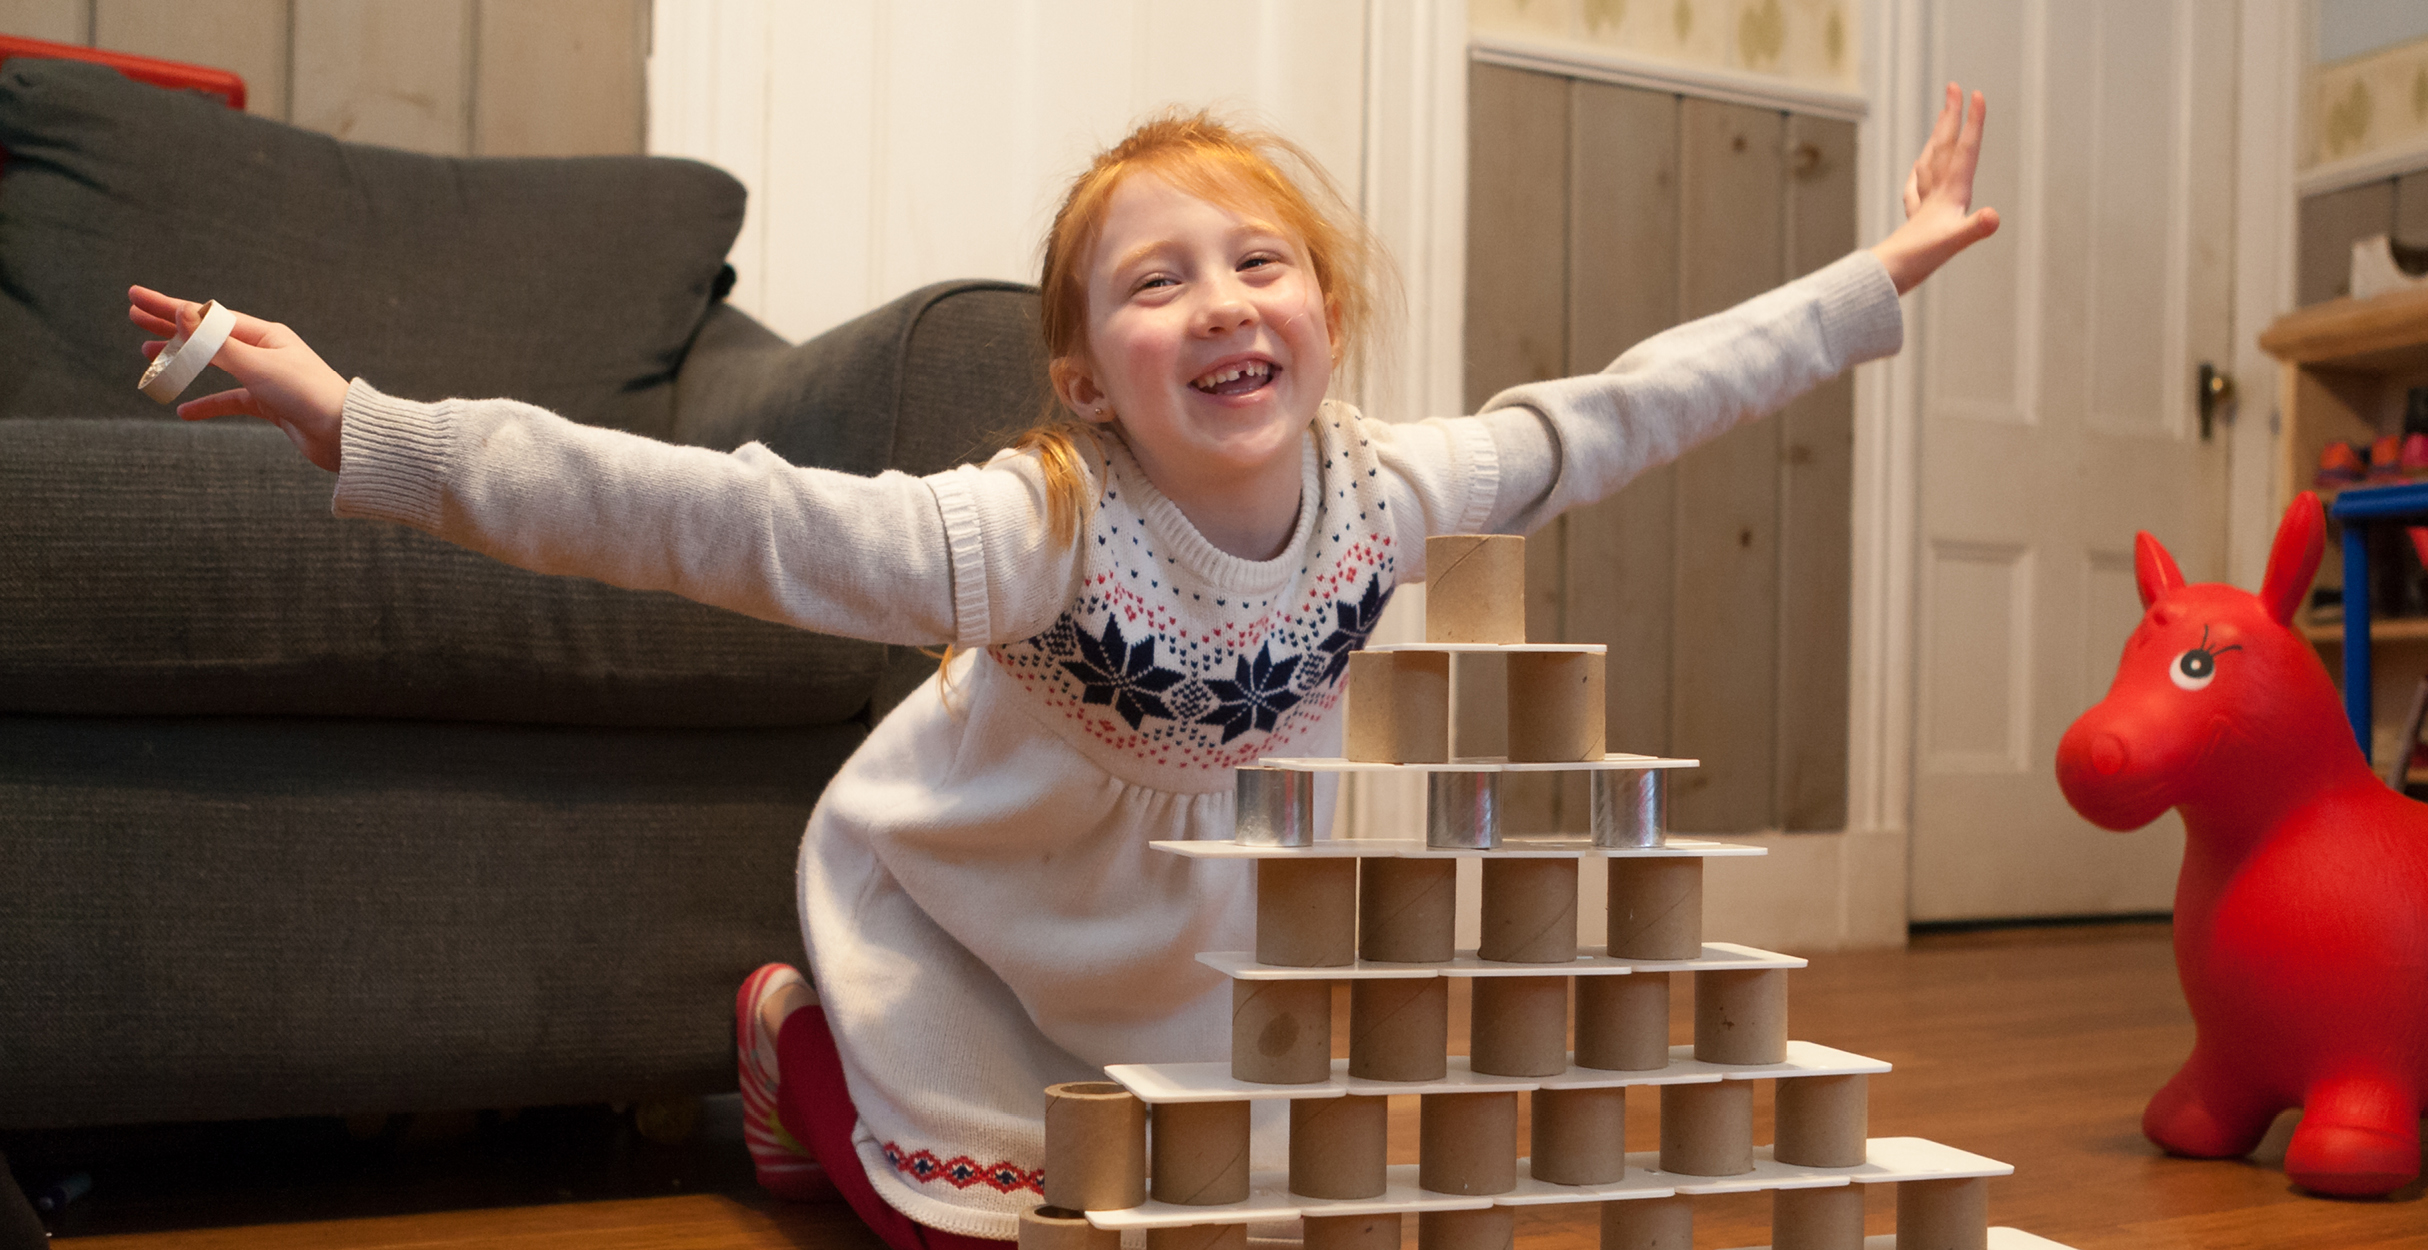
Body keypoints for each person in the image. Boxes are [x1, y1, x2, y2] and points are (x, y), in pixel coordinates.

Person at [129, 85, 1995, 1250]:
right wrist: (370, 424)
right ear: (1091, 372)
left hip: (1192, 956)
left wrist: (1879, 273)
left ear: (1324, 319)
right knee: (987, 1225)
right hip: (972, 902)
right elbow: (708, 515)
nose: (1221, 300)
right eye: (1154, 281)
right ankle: (799, 1044)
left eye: (1259, 261)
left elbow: (1644, 401)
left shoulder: (1401, 489)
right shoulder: (1027, 528)